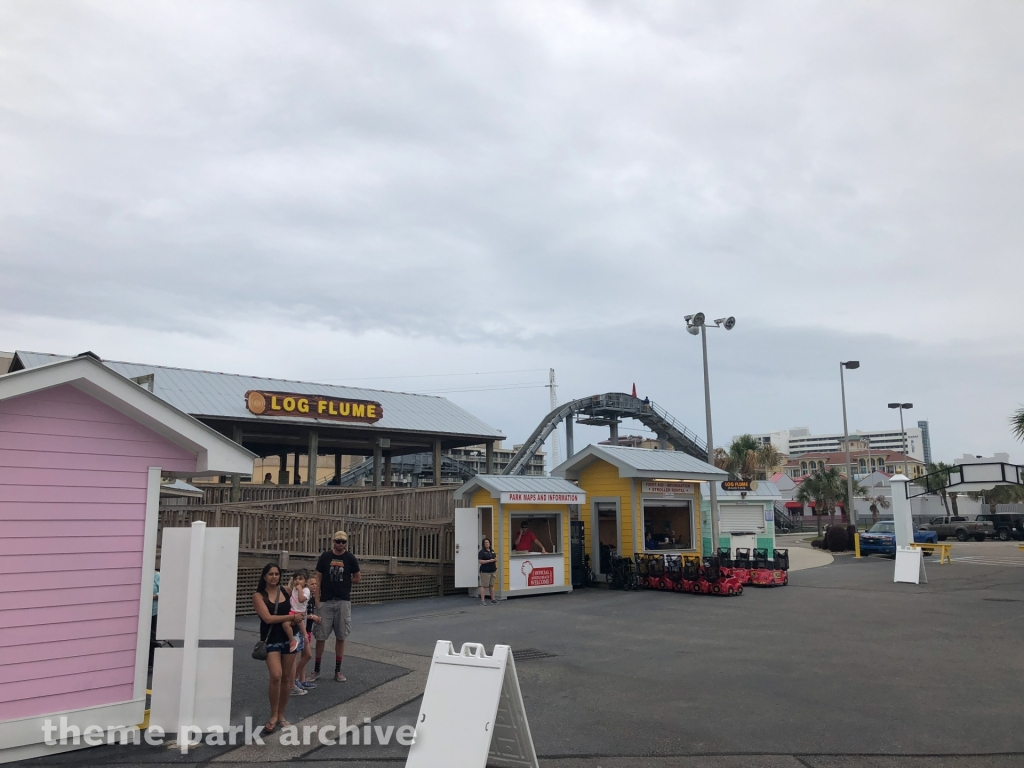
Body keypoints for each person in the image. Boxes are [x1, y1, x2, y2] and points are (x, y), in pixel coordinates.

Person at [252, 563, 304, 734]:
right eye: (270, 574)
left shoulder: (287, 592)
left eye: (277, 574)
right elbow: (267, 618)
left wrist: (300, 617)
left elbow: (300, 604)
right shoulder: (259, 596)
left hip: (289, 638)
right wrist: (291, 617)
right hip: (271, 639)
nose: (274, 577)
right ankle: (273, 715)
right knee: (276, 675)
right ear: (264, 577)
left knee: (287, 679)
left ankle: (281, 715)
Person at [312, 530, 361, 682]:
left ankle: (338, 670)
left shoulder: (350, 558)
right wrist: (317, 598)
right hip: (326, 600)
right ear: (333, 541)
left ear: (346, 543)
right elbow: (318, 577)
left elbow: (357, 577)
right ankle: (316, 669)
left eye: (343, 542)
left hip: (343, 601)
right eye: (338, 541)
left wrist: (345, 581)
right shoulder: (325, 557)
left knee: (341, 636)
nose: (340, 544)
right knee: (320, 635)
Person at [286, 570, 312, 695]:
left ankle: (294, 679)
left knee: (306, 654)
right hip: (293, 616)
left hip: (300, 618)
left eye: (301, 579)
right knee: (295, 654)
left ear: (305, 581)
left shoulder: (305, 591)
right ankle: (293, 682)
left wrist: (299, 588)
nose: (298, 581)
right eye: (296, 578)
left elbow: (301, 600)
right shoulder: (294, 590)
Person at [478, 538, 497, 605]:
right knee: (484, 586)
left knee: (491, 585)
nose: (487, 544)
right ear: (483, 544)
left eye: (488, 542)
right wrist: (489, 561)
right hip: (485, 571)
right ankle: (482, 600)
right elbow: (480, 561)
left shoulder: (492, 551)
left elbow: (494, 558)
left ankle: (493, 599)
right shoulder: (482, 552)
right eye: (485, 542)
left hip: (493, 570)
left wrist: (495, 560)